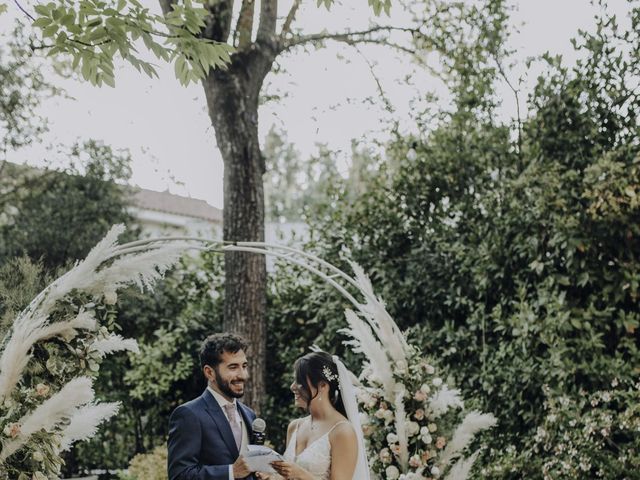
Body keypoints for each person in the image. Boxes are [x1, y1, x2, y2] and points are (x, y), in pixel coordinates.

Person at [257, 351, 369, 480]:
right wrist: (271, 477)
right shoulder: (294, 426)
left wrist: (300, 474)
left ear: (323, 386)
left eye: (299, 381)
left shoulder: (342, 431)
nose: (292, 386)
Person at [168, 333, 257, 480]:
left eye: (244, 366)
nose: (243, 375)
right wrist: (231, 472)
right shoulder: (188, 415)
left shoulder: (250, 415)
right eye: (233, 367)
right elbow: (179, 475)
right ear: (210, 372)